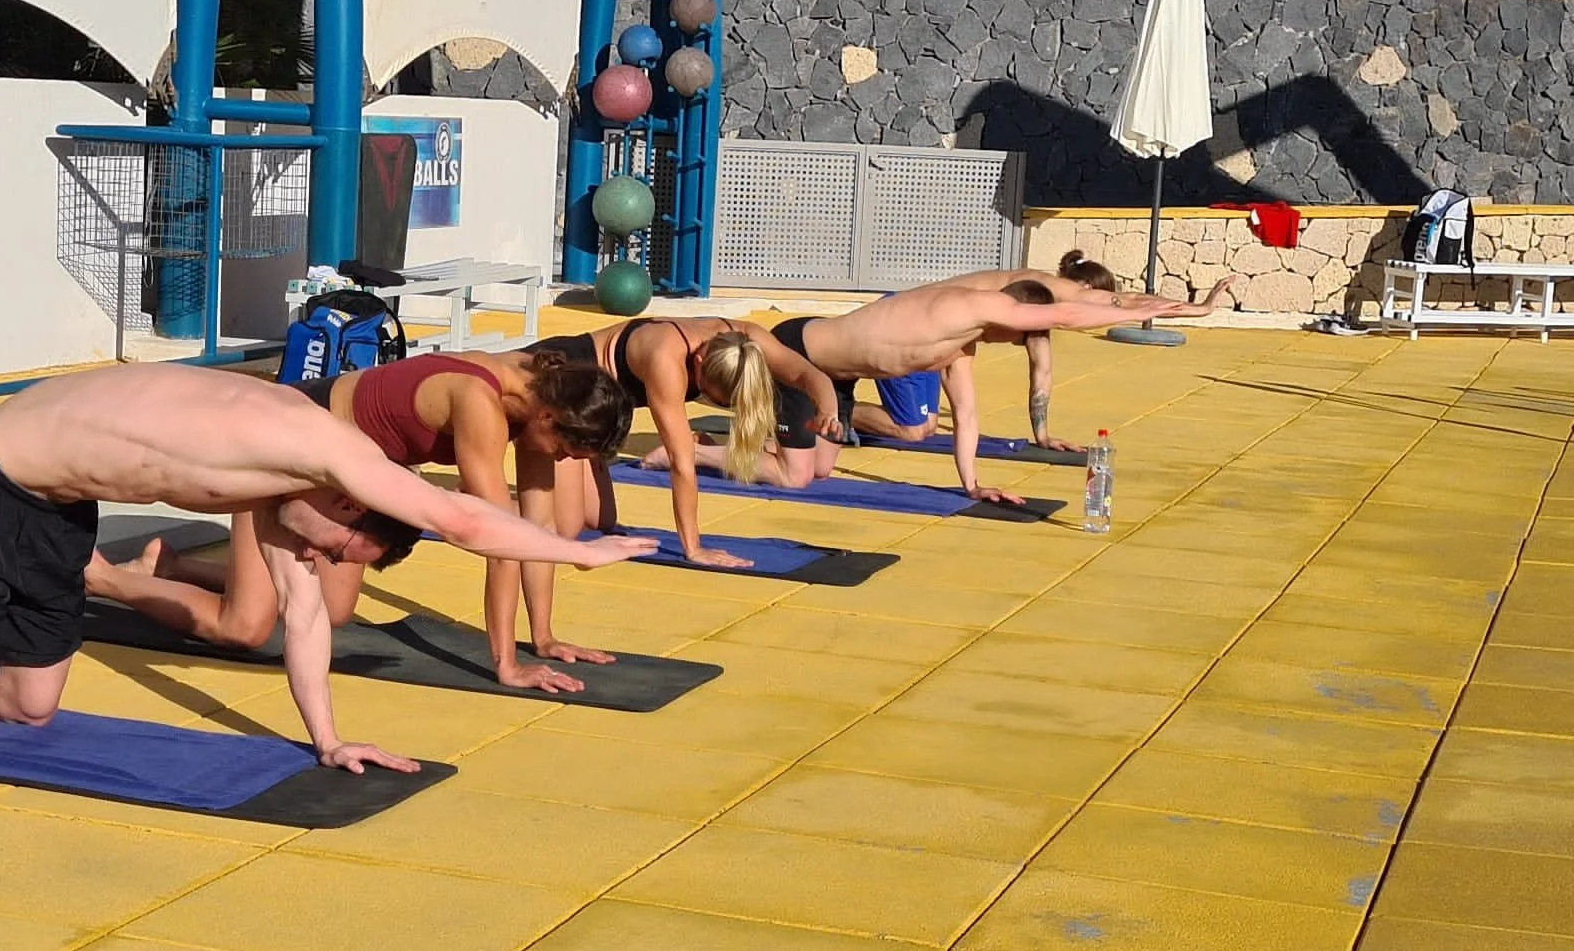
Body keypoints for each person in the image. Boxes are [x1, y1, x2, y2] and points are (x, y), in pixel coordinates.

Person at [0, 363, 657, 773]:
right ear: (345, 507)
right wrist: (581, 549)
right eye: (340, 552)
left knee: (31, 704)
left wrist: (329, 740)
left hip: (55, 514)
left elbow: (303, 624)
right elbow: (460, 515)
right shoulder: (323, 451)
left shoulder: (293, 492)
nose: (319, 563)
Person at [87, 349, 634, 696]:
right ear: (548, 418)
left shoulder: (543, 398)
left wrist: (544, 638)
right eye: (565, 450)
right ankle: (104, 578)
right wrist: (507, 665)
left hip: (350, 473)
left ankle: (171, 565)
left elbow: (535, 532)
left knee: (337, 611)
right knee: (245, 628)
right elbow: (495, 540)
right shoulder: (481, 403)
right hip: (293, 447)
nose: (562, 463)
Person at [727, 279, 1218, 504]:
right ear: (1010, 317)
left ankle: (770, 438)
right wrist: (1170, 310)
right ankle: (701, 454)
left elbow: (967, 416)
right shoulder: (962, 309)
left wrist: (972, 485)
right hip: (798, 352)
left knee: (824, 469)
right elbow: (1066, 313)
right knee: (797, 480)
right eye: (1023, 333)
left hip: (840, 375)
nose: (1023, 343)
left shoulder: (961, 347)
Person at [527, 315, 841, 569]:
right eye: (710, 393)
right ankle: (487, 509)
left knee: (599, 520)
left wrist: (827, 410)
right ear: (701, 361)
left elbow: (808, 374)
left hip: (598, 407)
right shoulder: (666, 358)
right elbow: (682, 464)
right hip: (566, 386)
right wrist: (693, 548)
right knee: (564, 529)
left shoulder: (746, 341)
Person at [854, 252, 1236, 453]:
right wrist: (1198, 309)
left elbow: (1043, 377)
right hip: (913, 323)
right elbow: (1126, 300)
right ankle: (825, 404)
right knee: (916, 429)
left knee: (927, 427)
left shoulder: (1036, 317)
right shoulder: (1054, 289)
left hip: (945, 344)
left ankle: (832, 397)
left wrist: (1043, 435)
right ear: (1084, 287)